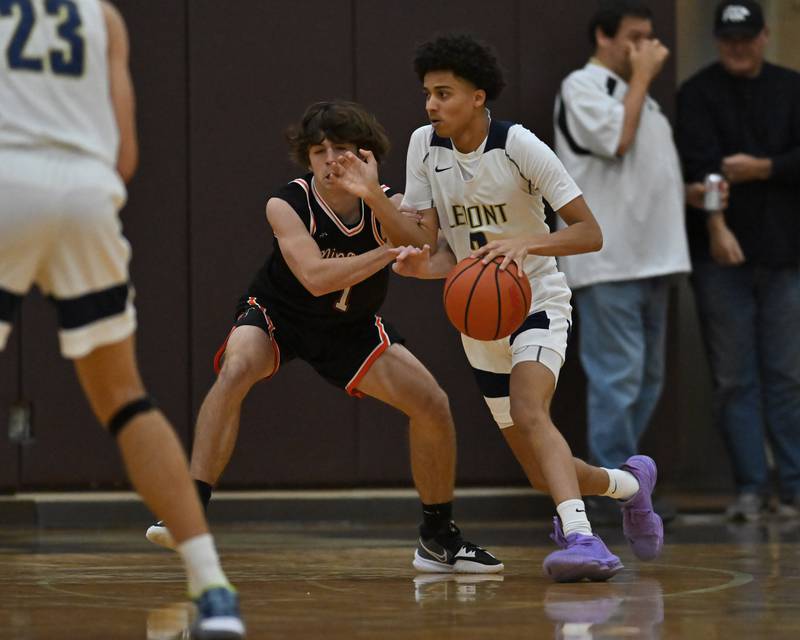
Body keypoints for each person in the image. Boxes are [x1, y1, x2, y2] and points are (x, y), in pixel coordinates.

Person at [327, 33, 663, 582]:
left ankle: (582, 537)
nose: (432, 105)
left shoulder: (519, 146)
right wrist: (377, 203)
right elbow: (428, 244)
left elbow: (589, 232)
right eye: (427, 94)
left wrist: (524, 244)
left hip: (536, 298)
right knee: (540, 471)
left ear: (478, 97)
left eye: (444, 93)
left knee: (532, 413)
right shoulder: (423, 146)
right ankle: (629, 485)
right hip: (480, 319)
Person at [146, 100, 502, 574]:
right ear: (307, 159)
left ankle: (437, 538)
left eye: (342, 148)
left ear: (366, 153)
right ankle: (188, 511)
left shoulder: (390, 202)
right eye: (319, 150)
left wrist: (375, 198)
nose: (331, 158)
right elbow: (315, 277)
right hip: (279, 313)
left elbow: (425, 246)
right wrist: (384, 253)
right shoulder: (286, 202)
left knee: (433, 404)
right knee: (236, 368)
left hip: (349, 328)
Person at [0, 1, 244, 638]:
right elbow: (126, 156)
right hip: (84, 194)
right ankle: (212, 588)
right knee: (126, 400)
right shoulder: (102, 17)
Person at [553, 0, 691, 522]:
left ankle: (629, 484)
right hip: (611, 262)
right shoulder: (581, 86)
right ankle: (616, 495)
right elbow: (616, 142)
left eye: (650, 39)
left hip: (655, 258)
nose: (647, 49)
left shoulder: (642, 98)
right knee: (618, 378)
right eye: (635, 38)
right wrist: (642, 78)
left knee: (648, 377)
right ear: (603, 38)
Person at [677, 0, 800, 521]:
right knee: (733, 378)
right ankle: (751, 486)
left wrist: (764, 168)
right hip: (718, 256)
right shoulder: (697, 94)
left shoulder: (793, 88)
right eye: (729, 40)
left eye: (747, 38)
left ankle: (793, 488)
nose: (738, 47)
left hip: (787, 252)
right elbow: (697, 169)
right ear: (717, 40)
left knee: (787, 374)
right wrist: (717, 226)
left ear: (765, 35)